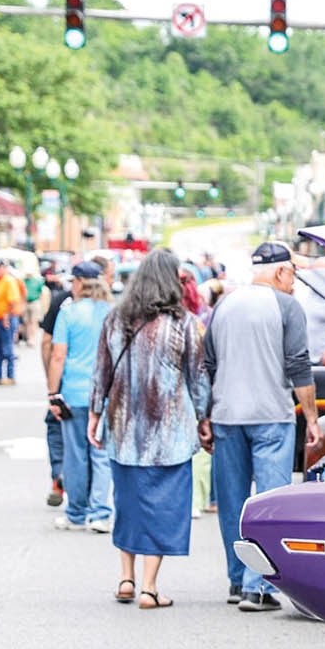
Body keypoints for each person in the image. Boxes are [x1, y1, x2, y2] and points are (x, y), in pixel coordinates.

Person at [203, 240, 321, 611]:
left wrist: (205, 414)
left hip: (226, 416)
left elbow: (209, 364)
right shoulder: (287, 307)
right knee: (269, 504)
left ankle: (238, 581)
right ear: (281, 271)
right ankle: (260, 587)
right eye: (294, 274)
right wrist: (313, 418)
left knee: (233, 502)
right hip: (271, 416)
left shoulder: (223, 305)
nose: (295, 282)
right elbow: (299, 365)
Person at [90, 249, 209, 609]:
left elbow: (102, 374)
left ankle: (126, 578)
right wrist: (204, 420)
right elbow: (198, 379)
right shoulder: (184, 323)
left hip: (124, 429)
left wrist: (94, 416)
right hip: (168, 435)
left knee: (127, 505)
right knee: (163, 507)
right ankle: (149, 587)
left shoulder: (115, 320)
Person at [50, 262, 115, 533]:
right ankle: (100, 513)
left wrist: (53, 393)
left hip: (75, 392)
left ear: (79, 283)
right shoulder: (113, 313)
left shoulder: (68, 314)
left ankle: (76, 513)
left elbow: (58, 355)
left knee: (75, 454)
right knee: (100, 452)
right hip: (106, 392)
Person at [39, 267, 73, 507]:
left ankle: (59, 475)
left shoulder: (61, 301)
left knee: (55, 423)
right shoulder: (104, 304)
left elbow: (47, 341)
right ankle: (90, 494)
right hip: (93, 379)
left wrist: (50, 378)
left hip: (63, 375)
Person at [0, 262, 24, 385]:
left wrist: (6, 317)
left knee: (7, 347)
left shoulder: (8, 281)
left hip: (6, 318)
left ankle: (10, 376)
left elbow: (12, 301)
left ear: (3, 268)